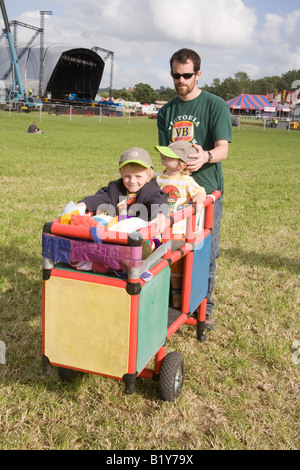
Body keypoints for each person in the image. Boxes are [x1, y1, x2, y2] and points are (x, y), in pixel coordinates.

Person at [157, 48, 232, 330]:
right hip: (175, 193)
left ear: (198, 74)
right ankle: (170, 303)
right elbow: (166, 153)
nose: (181, 80)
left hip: (207, 193)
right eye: (176, 75)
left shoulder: (215, 105)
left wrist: (205, 157)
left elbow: (223, 149)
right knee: (168, 249)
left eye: (187, 75)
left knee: (205, 252)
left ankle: (204, 308)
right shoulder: (166, 112)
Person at [154, 140, 206, 308]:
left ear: (181, 164)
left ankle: (176, 294)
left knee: (175, 265)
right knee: (155, 261)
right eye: (164, 153)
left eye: (169, 156)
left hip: (177, 230)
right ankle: (158, 294)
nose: (163, 156)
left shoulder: (185, 181)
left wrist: (198, 200)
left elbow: (200, 191)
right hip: (157, 229)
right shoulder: (157, 178)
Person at [76, 147, 168, 234]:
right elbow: (101, 197)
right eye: (127, 176)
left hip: (140, 233)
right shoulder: (115, 188)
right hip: (117, 231)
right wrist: (83, 204)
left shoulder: (151, 191)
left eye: (138, 176)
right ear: (121, 174)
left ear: (148, 177)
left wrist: (159, 215)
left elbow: (159, 201)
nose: (132, 181)